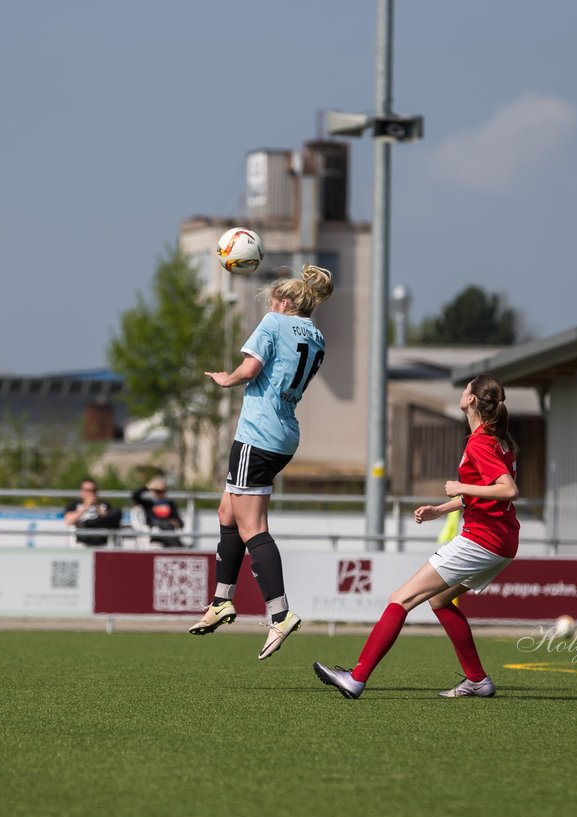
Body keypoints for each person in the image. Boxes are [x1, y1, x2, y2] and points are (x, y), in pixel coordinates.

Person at [314, 374, 519, 699]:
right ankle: (478, 680)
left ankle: (356, 677)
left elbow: (508, 489)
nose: (463, 392)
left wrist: (460, 487)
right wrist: (442, 509)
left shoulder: (480, 442)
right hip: (502, 543)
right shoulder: (496, 440)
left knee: (401, 598)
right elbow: (488, 492)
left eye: (466, 389)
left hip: (483, 540)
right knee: (439, 600)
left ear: (472, 401)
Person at [192, 264, 334, 660]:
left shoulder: (274, 322)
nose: (268, 307)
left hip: (258, 434)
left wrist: (227, 378)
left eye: (271, 301)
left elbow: (251, 369)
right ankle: (221, 601)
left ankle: (280, 613)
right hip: (285, 434)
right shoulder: (317, 334)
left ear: (283, 303)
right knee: (228, 510)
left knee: (252, 525)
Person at [63, 478, 123, 547]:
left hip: (102, 537)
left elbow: (110, 519)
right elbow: (68, 521)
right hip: (84, 536)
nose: (90, 493)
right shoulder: (75, 505)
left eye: (93, 490)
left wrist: (98, 508)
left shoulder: (104, 505)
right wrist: (85, 507)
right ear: (81, 492)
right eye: (87, 490)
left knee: (117, 511)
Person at [130, 475, 186, 548]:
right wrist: (147, 486)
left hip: (168, 531)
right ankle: (178, 547)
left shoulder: (170, 504)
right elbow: (134, 496)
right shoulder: (149, 504)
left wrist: (176, 523)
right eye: (156, 491)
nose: (159, 493)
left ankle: (177, 547)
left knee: (166, 525)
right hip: (154, 532)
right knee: (162, 526)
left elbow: (180, 524)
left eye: (161, 491)